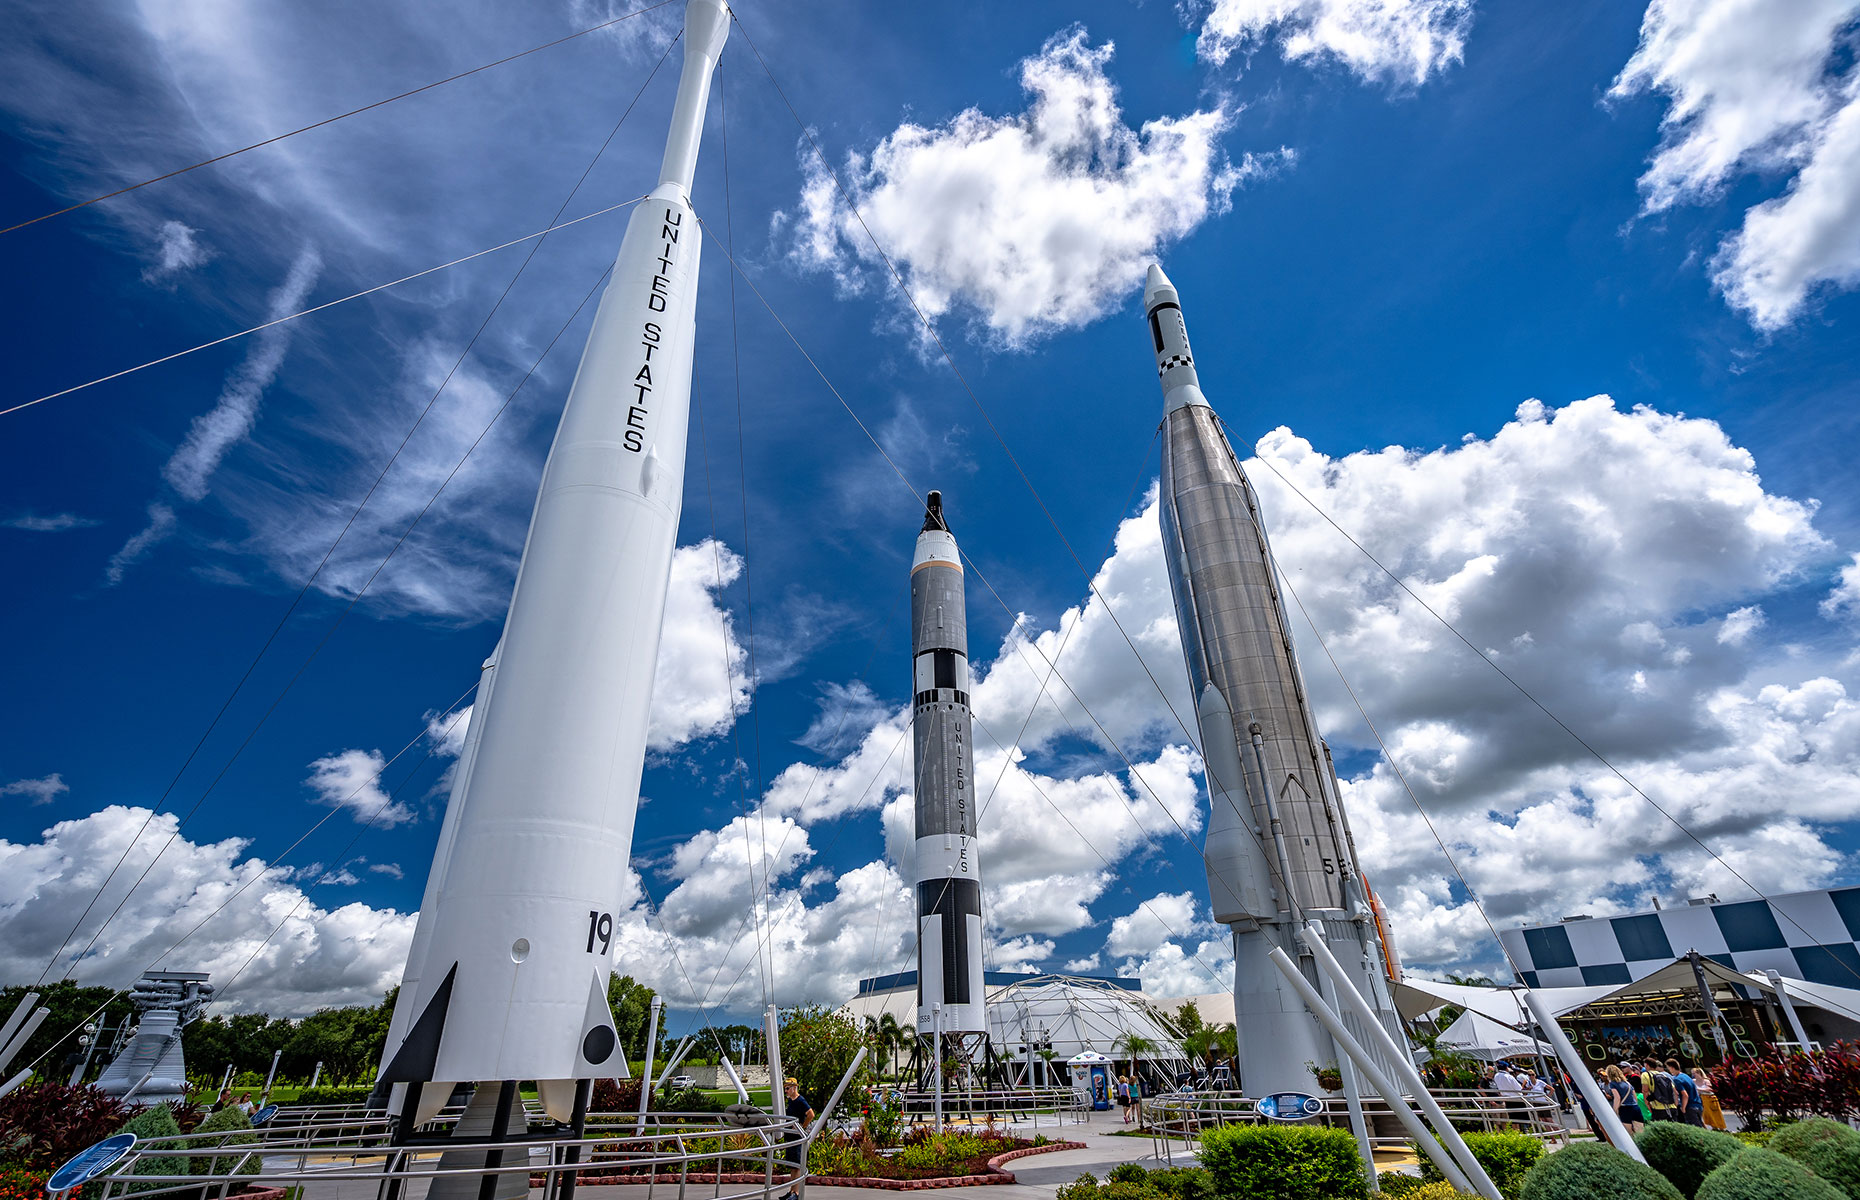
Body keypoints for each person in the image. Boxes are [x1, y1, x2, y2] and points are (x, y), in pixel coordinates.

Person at [779, 1077, 814, 1200]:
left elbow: (811, 1114)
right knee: (792, 1165)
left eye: (788, 1088)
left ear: (794, 1088)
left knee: (797, 1164)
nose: (786, 1091)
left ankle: (796, 1193)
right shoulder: (791, 1101)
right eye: (785, 1089)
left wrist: (802, 1127)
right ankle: (792, 1191)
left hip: (797, 1136)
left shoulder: (800, 1100)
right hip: (790, 1136)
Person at [1604, 1065, 1643, 1136]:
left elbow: (1617, 1098)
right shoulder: (1627, 1083)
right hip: (1635, 1107)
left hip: (1625, 1109)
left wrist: (1615, 1110)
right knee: (1640, 1132)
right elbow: (1635, 1097)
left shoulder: (1612, 1084)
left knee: (1629, 1133)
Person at [1665, 1059, 1703, 1127]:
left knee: (1695, 1129)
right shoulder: (1685, 1076)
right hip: (1698, 1104)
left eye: (1668, 1068)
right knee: (1699, 1125)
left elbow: (1685, 1095)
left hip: (1690, 1106)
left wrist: (1683, 1108)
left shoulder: (1677, 1079)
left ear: (1672, 1068)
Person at [1693, 1066, 1727, 1130]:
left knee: (1715, 1113)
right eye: (1692, 1073)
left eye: (1694, 1073)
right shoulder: (1693, 1081)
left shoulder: (1706, 1081)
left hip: (1709, 1098)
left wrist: (1698, 1089)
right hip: (1701, 1099)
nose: (1693, 1075)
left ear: (1699, 1073)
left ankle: (1721, 1128)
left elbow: (1709, 1089)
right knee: (1707, 1115)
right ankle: (1714, 1128)